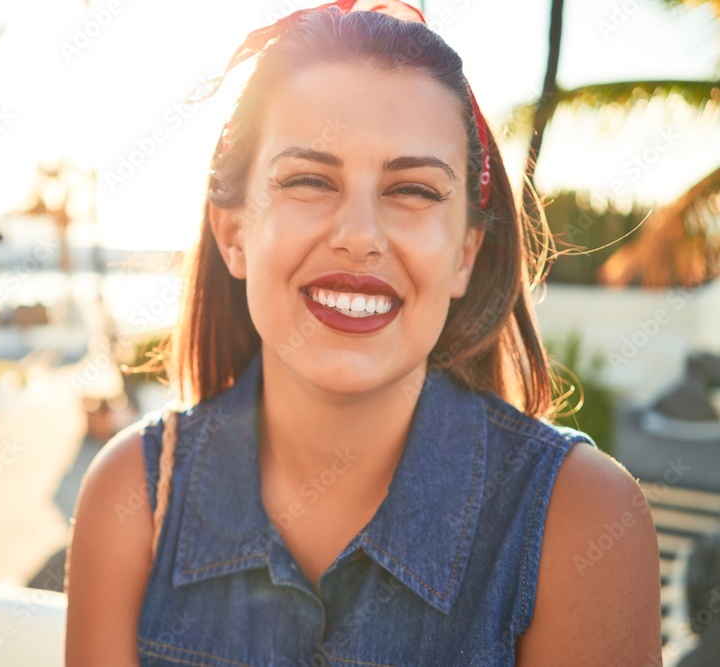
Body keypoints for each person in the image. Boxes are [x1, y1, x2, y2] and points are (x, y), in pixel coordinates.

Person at [65, 2, 662, 665]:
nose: (359, 235)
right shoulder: (132, 497)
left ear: (464, 252)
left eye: (412, 190)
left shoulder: (581, 521)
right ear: (234, 232)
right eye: (310, 179)